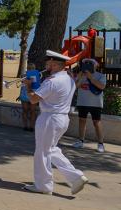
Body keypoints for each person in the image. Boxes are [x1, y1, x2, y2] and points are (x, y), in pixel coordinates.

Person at [22, 50, 89, 196]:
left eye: (49, 64)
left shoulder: (52, 81)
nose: (47, 67)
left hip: (49, 118)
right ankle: (76, 177)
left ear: (56, 64)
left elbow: (33, 99)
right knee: (51, 150)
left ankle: (43, 186)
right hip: (62, 118)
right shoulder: (68, 78)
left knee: (42, 152)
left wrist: (27, 86)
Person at [74, 59, 107, 152]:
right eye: (85, 63)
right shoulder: (80, 75)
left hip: (95, 103)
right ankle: (80, 141)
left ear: (95, 66)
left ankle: (100, 143)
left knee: (96, 122)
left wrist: (91, 78)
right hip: (82, 102)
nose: (87, 65)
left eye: (90, 63)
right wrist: (79, 77)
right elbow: (74, 86)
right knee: (81, 120)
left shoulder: (101, 75)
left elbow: (102, 86)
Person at [19, 63, 43, 131]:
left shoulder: (37, 75)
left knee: (33, 111)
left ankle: (31, 127)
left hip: (33, 94)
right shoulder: (24, 75)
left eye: (32, 68)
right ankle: (25, 126)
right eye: (29, 68)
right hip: (24, 94)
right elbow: (21, 86)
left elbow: (39, 85)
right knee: (25, 110)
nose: (30, 69)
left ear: (34, 69)